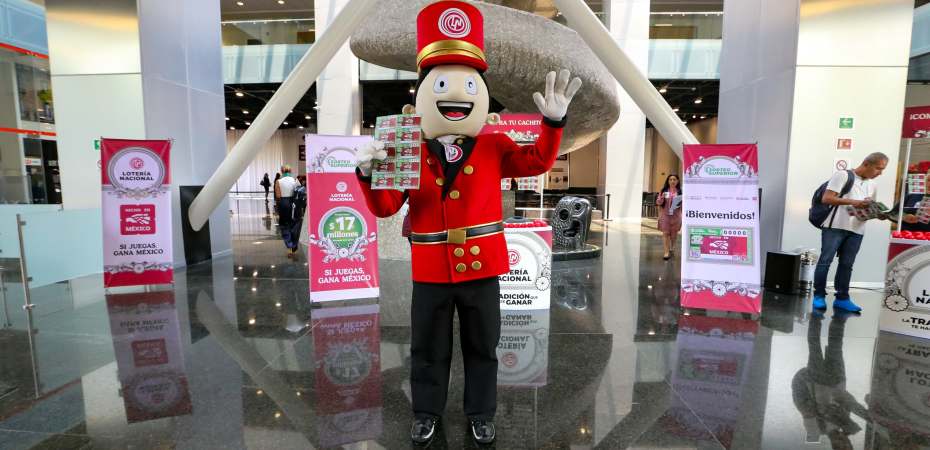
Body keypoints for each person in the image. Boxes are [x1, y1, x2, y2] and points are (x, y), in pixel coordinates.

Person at [353, 2, 582, 445]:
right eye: (440, 84)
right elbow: (385, 207)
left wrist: (553, 123)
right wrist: (366, 175)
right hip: (431, 270)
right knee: (427, 348)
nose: (456, 94)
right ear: (421, 95)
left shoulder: (495, 144)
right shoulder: (406, 147)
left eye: (469, 84)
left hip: (482, 269)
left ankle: (481, 412)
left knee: (483, 347)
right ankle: (426, 412)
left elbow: (536, 161)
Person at [813, 152, 888, 312]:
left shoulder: (873, 185)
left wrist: (879, 214)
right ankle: (819, 296)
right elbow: (827, 198)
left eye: (882, 170)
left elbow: (866, 208)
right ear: (866, 164)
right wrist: (854, 202)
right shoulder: (843, 175)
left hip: (857, 229)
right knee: (825, 261)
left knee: (847, 265)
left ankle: (842, 298)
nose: (880, 173)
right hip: (835, 226)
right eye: (878, 168)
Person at [655, 174, 682, 260]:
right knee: (665, 233)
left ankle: (672, 247)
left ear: (677, 181)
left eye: (674, 179)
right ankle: (666, 252)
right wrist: (661, 198)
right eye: (670, 179)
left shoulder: (680, 191)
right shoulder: (664, 190)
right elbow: (658, 203)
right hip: (665, 215)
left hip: (676, 216)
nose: (672, 181)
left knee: (674, 234)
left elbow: (684, 204)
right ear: (668, 181)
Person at [274, 166, 300, 254]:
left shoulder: (278, 181)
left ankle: (289, 245)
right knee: (294, 223)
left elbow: (278, 195)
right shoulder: (295, 180)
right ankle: (294, 244)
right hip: (294, 203)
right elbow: (298, 192)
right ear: (290, 171)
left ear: (282, 171)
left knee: (284, 224)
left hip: (283, 203)